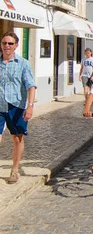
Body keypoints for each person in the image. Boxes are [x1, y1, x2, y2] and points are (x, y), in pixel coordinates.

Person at [0, 32, 37, 184]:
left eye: (10, 43)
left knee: (16, 138)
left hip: (16, 105)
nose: (6, 46)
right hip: (0, 104)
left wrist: (30, 106)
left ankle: (15, 170)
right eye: (4, 43)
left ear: (16, 45)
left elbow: (31, 86)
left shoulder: (23, 63)